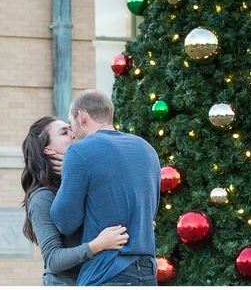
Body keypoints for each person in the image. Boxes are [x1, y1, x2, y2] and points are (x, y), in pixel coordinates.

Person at [50, 89, 161, 286]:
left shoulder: (79, 151)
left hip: (106, 272)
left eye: (70, 123)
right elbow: (149, 213)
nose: (72, 132)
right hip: (147, 272)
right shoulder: (147, 149)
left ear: (81, 117)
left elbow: (65, 221)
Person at [22, 116, 130, 285]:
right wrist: (97, 245)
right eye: (64, 133)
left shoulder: (85, 180)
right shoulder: (42, 197)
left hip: (97, 278)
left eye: (70, 129)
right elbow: (53, 259)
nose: (72, 134)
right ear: (49, 149)